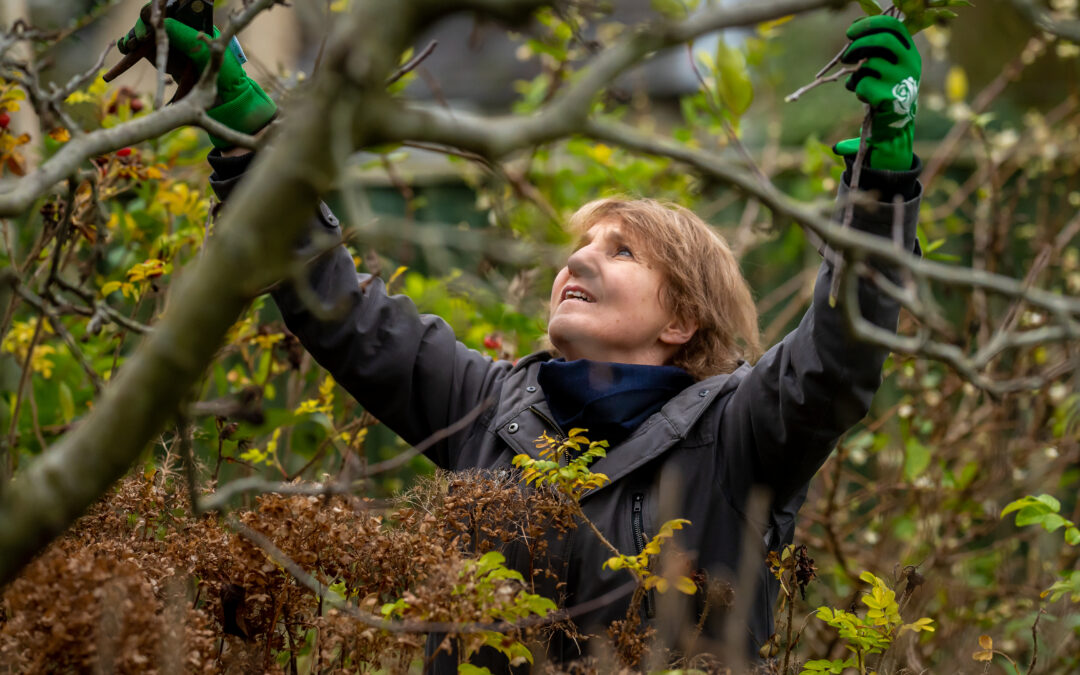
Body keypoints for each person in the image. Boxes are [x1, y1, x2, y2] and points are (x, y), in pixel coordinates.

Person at [118, 9, 922, 672]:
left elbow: (834, 362)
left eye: (622, 251)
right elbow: (344, 313)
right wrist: (247, 129)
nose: (579, 260)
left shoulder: (738, 435)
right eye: (581, 246)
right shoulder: (491, 408)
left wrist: (880, 190)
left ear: (681, 322)